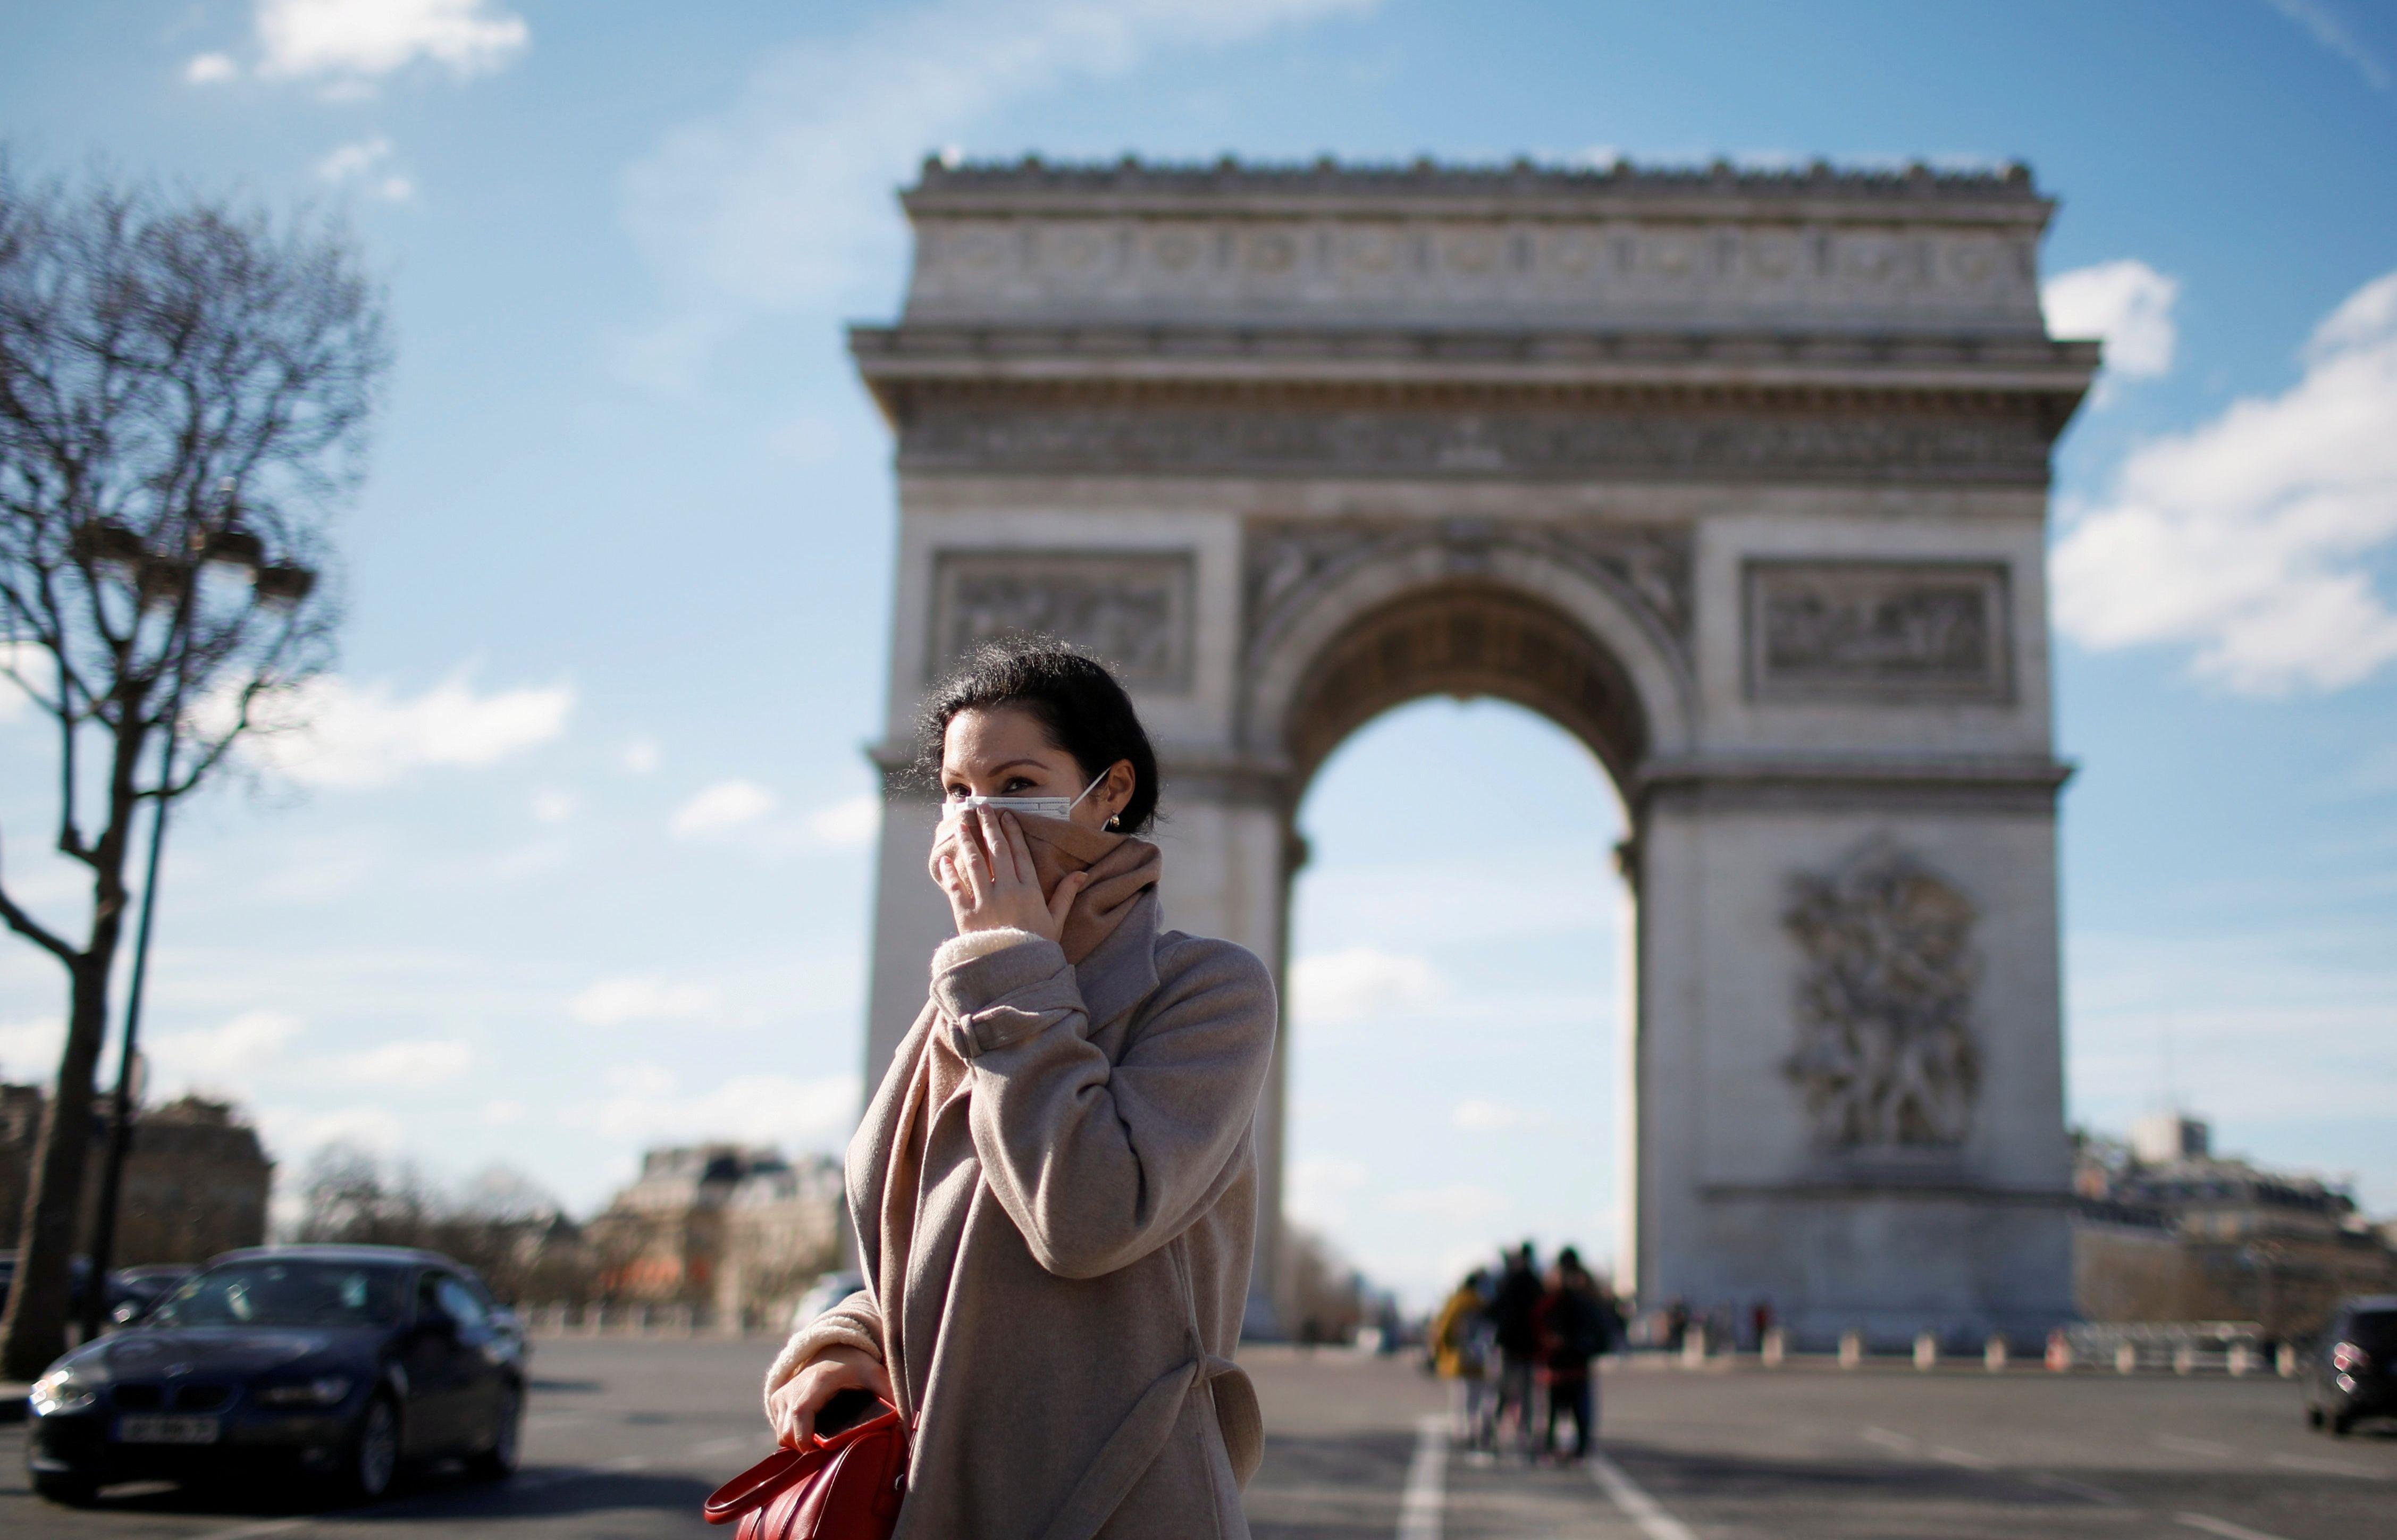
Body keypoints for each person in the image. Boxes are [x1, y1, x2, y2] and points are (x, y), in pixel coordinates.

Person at [760, 637, 1278, 1539]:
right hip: (938, 1494)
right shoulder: (957, 1002)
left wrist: (1007, 965)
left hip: (1123, 1503)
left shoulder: (1207, 992)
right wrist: (845, 1341)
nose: (976, 820)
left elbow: (1080, 1219)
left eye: (1014, 784)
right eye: (956, 792)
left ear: (1111, 791)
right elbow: (928, 1246)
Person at [1533, 1248, 1610, 1461]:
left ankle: (1565, 1448)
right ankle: (1567, 1447)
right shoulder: (1574, 1293)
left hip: (1568, 1364)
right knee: (1567, 1413)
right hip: (1567, 1365)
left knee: (1564, 1412)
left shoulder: (1575, 1294)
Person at [1429, 1269, 1497, 1452]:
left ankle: (1462, 1432)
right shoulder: (1484, 1304)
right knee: (1477, 1397)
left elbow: (1443, 1329)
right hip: (1480, 1357)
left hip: (1459, 1357)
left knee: (1461, 1398)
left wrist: (1439, 1352)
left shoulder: (1456, 1302)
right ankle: (1475, 1430)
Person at [1490, 1242, 1543, 1457]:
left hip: (1509, 1345)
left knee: (1504, 1391)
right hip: (1528, 1346)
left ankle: (1494, 1433)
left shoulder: (1508, 1282)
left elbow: (1493, 1310)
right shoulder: (1534, 1282)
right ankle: (1524, 1434)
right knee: (1526, 1393)